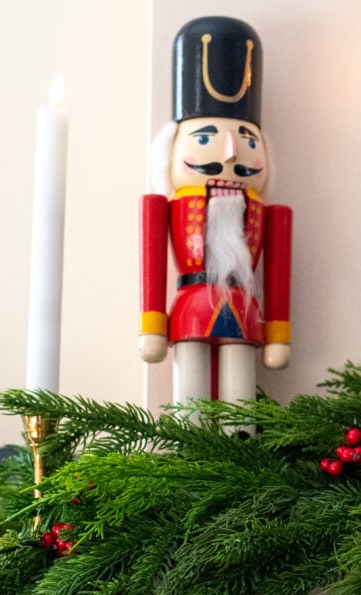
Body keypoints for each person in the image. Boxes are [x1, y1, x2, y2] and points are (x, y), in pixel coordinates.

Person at [139, 16, 292, 405]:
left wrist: (278, 333)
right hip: (190, 305)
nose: (229, 153)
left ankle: (239, 436)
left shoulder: (268, 212)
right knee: (189, 392)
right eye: (205, 138)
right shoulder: (164, 204)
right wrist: (152, 325)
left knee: (240, 396)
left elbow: (278, 273)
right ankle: (188, 437)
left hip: (243, 308)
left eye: (247, 141)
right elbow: (152, 264)